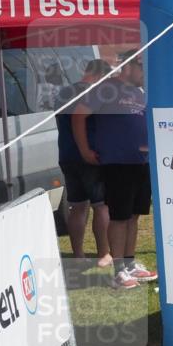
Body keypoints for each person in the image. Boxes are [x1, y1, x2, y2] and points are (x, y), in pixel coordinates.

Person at [72, 52, 157, 290]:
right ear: (129, 66)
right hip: (117, 164)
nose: (144, 75)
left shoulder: (140, 92)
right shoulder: (106, 88)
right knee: (119, 217)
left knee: (133, 215)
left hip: (141, 162)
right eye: (142, 68)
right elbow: (78, 116)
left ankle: (128, 264)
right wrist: (85, 150)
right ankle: (118, 272)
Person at [56, 58, 113, 266]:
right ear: (99, 75)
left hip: (66, 155)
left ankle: (78, 255)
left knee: (77, 207)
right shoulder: (94, 94)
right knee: (102, 206)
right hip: (89, 155)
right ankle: (104, 253)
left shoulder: (62, 93)